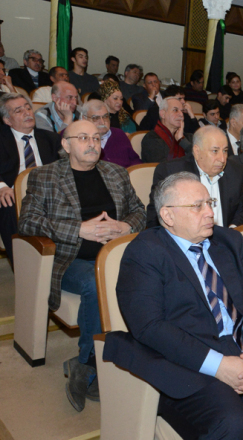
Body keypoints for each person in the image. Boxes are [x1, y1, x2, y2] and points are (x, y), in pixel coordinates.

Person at [104, 171, 243, 440]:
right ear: (168, 216)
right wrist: (219, 366)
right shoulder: (144, 252)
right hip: (189, 362)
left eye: (209, 203)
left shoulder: (227, 241)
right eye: (197, 206)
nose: (209, 212)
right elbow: (149, 327)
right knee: (232, 425)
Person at [18, 119, 146, 411]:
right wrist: (78, 229)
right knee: (93, 281)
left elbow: (140, 210)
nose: (92, 143)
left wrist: (125, 226)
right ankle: (90, 363)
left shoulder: (115, 173)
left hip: (114, 255)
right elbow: (27, 222)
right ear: (65, 144)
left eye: (97, 138)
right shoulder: (44, 176)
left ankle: (96, 362)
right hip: (70, 259)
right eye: (83, 138)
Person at [146, 125, 243, 228]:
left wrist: (231, 231)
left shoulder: (235, 171)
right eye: (215, 151)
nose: (222, 159)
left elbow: (241, 209)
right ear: (197, 152)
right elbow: (155, 219)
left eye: (225, 151)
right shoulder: (170, 173)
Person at [0, 93, 61, 264]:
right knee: (8, 204)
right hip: (14, 193)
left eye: (28, 108)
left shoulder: (51, 138)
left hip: (50, 192)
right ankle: (24, 266)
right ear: (7, 120)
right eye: (19, 111)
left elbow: (65, 168)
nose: (27, 113)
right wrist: (2, 186)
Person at [81, 99, 141, 168]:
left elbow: (135, 160)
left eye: (105, 117)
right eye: (96, 118)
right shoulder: (79, 139)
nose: (102, 122)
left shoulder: (119, 134)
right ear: (84, 119)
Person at [141, 97, 192, 163]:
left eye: (182, 111)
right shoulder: (151, 139)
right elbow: (163, 168)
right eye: (175, 110)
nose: (181, 114)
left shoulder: (188, 137)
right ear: (163, 114)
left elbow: (201, 159)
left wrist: (182, 141)